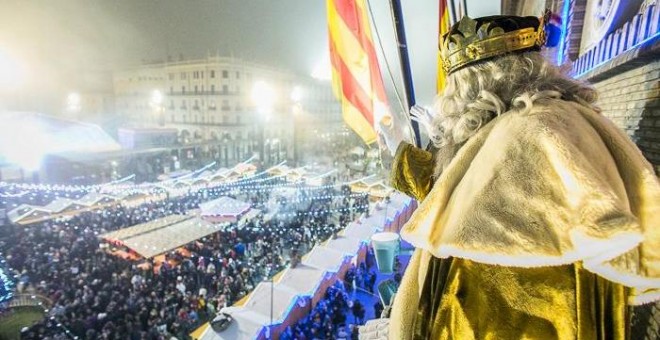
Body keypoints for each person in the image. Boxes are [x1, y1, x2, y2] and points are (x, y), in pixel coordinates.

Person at [363, 12, 660, 340]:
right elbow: (459, 197)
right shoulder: (528, 125)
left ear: (476, 85)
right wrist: (402, 154)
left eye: (453, 88)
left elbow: (492, 303)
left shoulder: (532, 139)